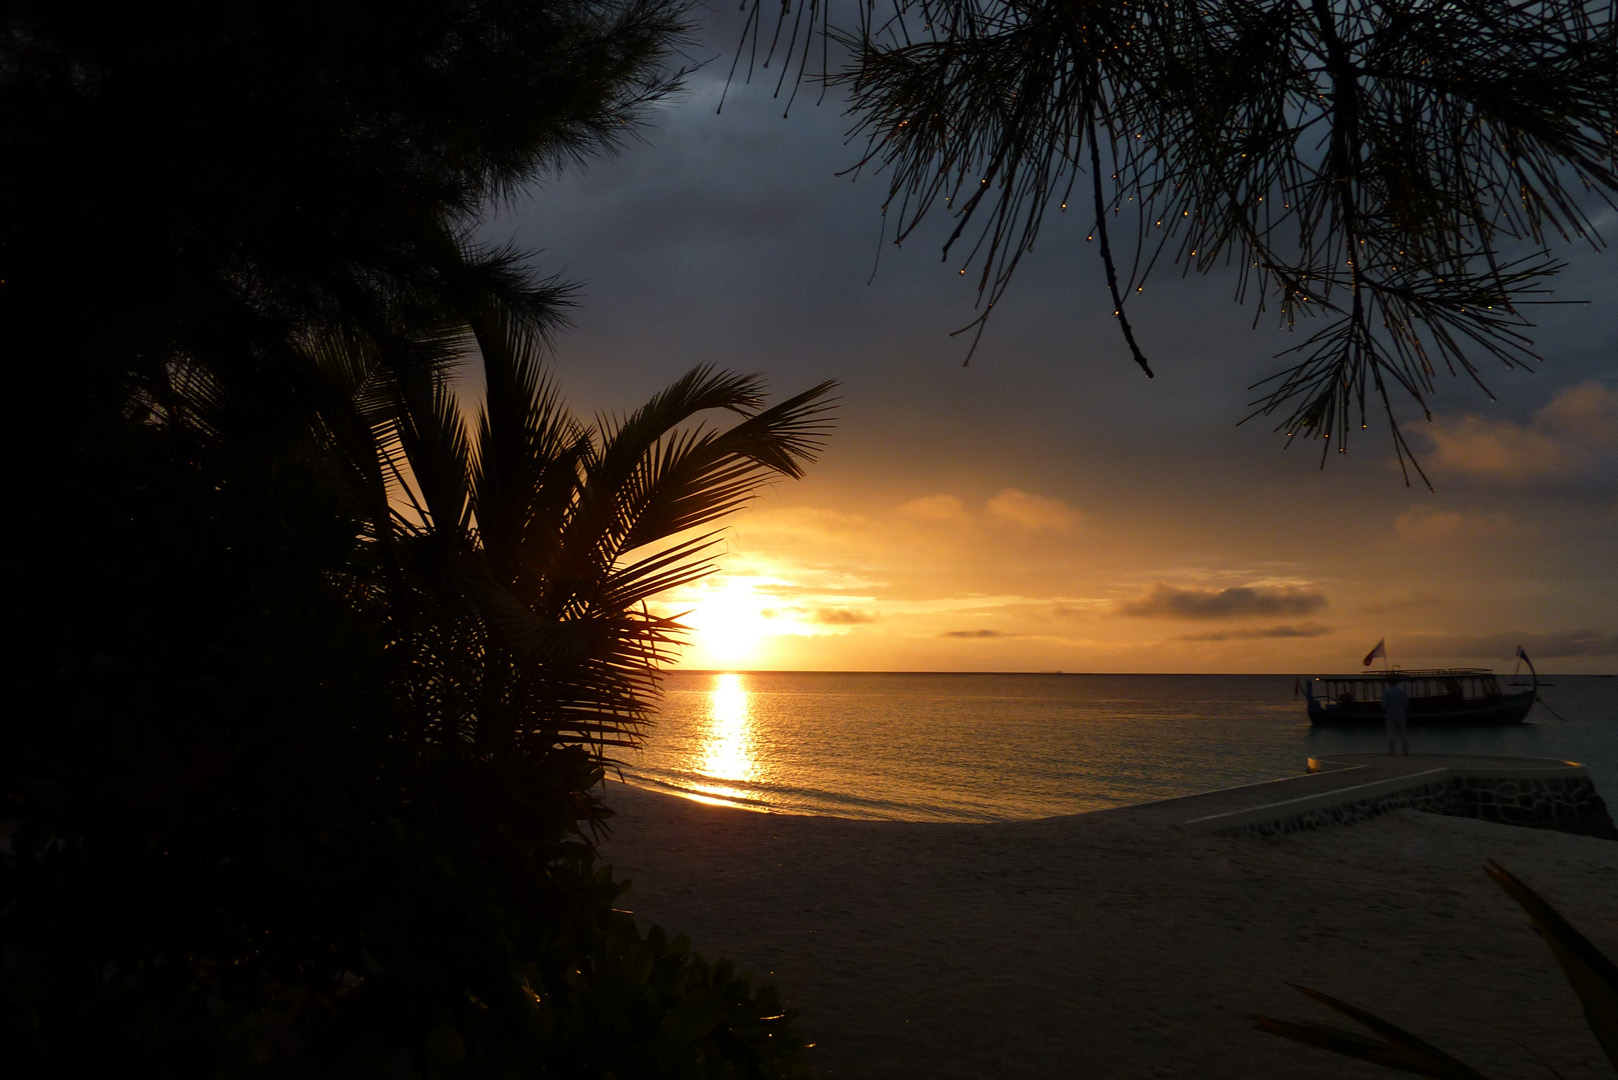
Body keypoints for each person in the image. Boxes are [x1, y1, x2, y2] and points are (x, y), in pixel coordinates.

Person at [1382, 673, 1410, 755]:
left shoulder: (1387, 692)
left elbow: (1383, 705)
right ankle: (1405, 751)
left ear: (1389, 682)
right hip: (1401, 715)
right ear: (1397, 682)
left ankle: (1392, 751)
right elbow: (1406, 704)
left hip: (1390, 715)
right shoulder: (1403, 691)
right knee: (1403, 734)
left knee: (1391, 734)